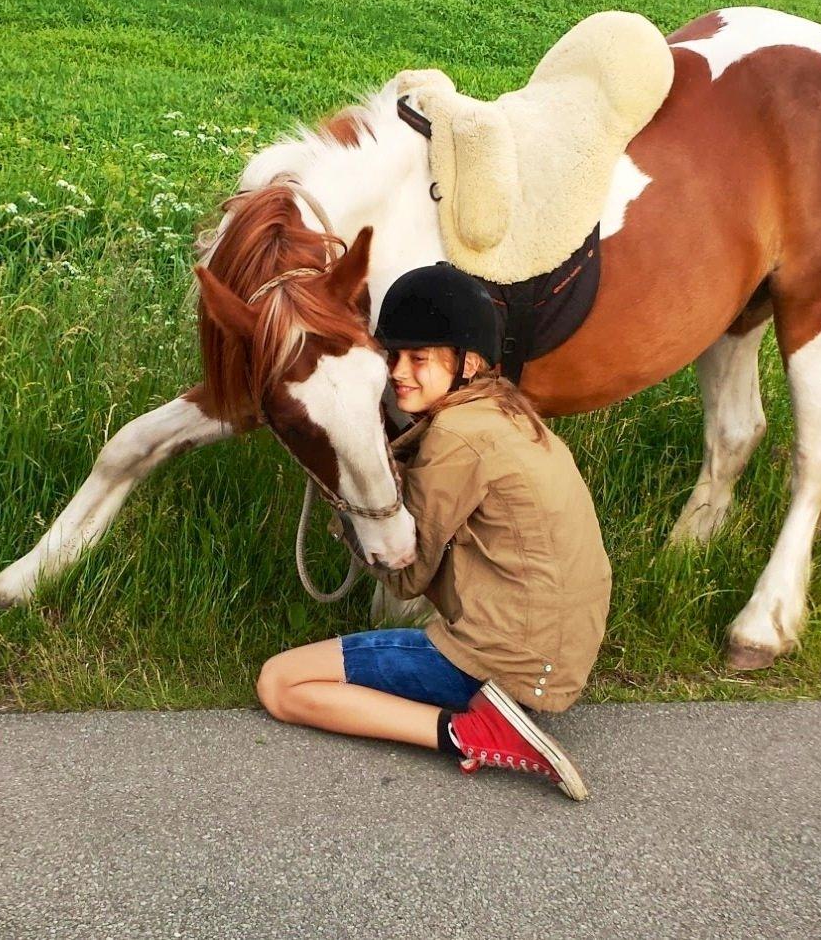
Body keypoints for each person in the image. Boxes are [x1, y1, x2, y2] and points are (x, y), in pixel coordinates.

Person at [255, 262, 612, 801]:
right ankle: (492, 713)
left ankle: (470, 729)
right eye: (393, 356)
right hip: (553, 658)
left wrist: (352, 504)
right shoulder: (508, 414)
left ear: (467, 362)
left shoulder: (456, 436)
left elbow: (405, 575)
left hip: (499, 663)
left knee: (281, 683)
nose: (399, 372)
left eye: (419, 358)